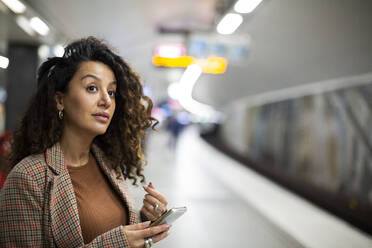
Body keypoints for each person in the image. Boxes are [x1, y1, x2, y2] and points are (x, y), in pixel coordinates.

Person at [0, 37, 171, 247]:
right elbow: (111, 241)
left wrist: (144, 223)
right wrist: (113, 244)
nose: (106, 101)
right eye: (92, 88)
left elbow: (109, 230)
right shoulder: (28, 177)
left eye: (111, 92)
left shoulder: (109, 165)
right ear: (60, 100)